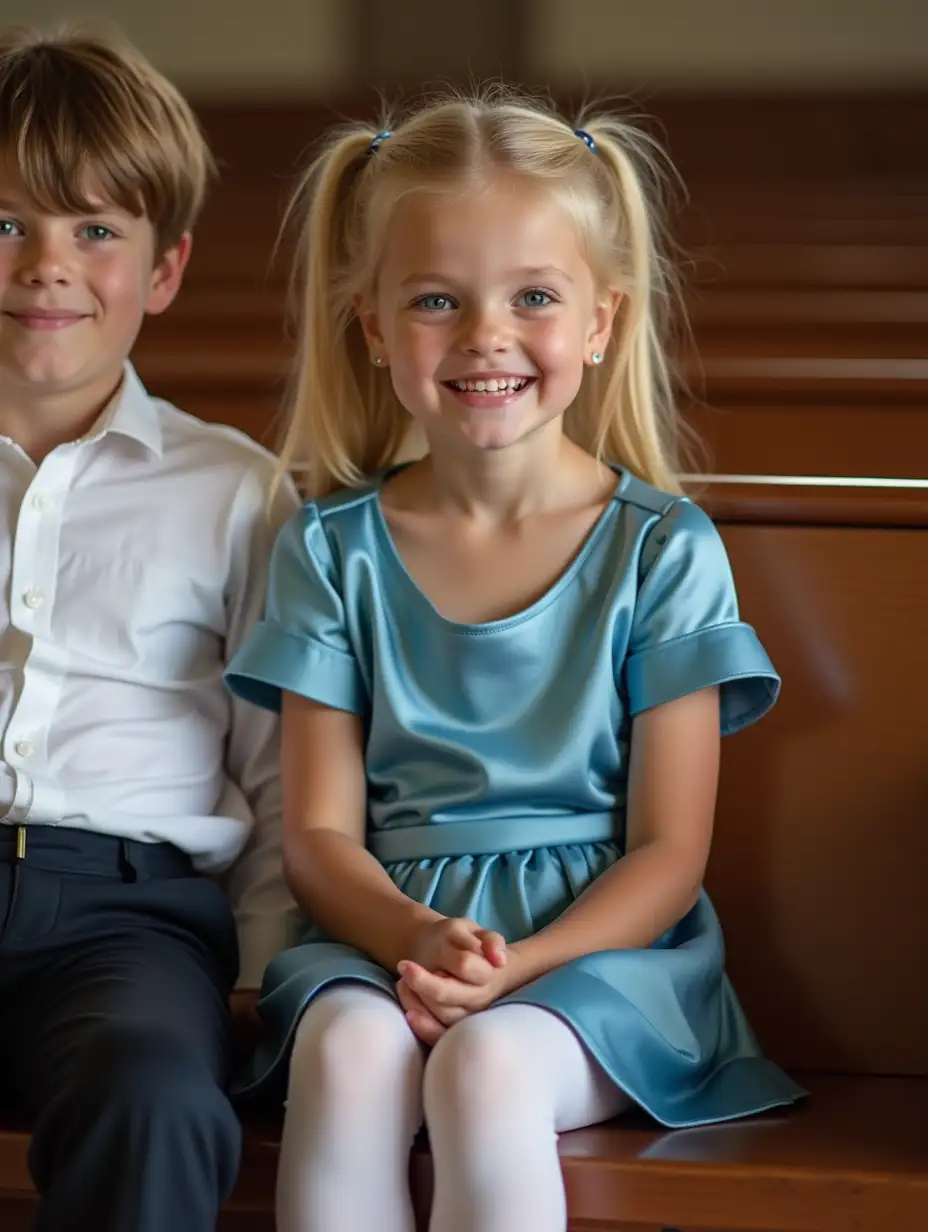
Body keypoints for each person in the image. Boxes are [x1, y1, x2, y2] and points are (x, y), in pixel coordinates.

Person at [225, 88, 806, 1232]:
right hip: (383, 939)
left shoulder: (660, 549)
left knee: (485, 1069)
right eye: (437, 299)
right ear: (374, 325)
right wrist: (415, 941)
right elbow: (320, 838)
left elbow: (668, 852)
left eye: (532, 297)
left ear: (599, 322)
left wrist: (516, 962)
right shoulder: (332, 548)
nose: (486, 334)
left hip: (603, 961)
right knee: (344, 1054)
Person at [0, 25, 299, 1232]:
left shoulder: (234, 488)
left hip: (126, 915)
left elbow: (278, 766)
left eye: (94, 230)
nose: (43, 266)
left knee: (157, 1095)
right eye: (7, 223)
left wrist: (255, 973)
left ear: (162, 269)